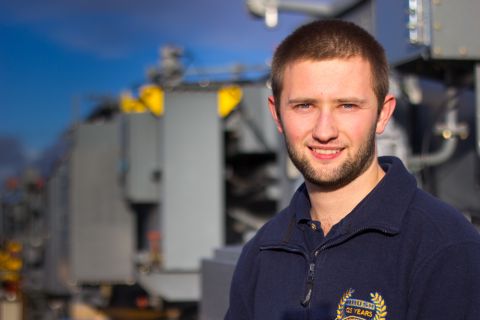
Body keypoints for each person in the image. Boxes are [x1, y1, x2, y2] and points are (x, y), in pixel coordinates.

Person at [225, 19, 480, 320]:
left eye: (347, 105)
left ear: (383, 114)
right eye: (304, 106)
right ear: (277, 114)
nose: (324, 131)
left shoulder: (445, 247)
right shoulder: (263, 251)